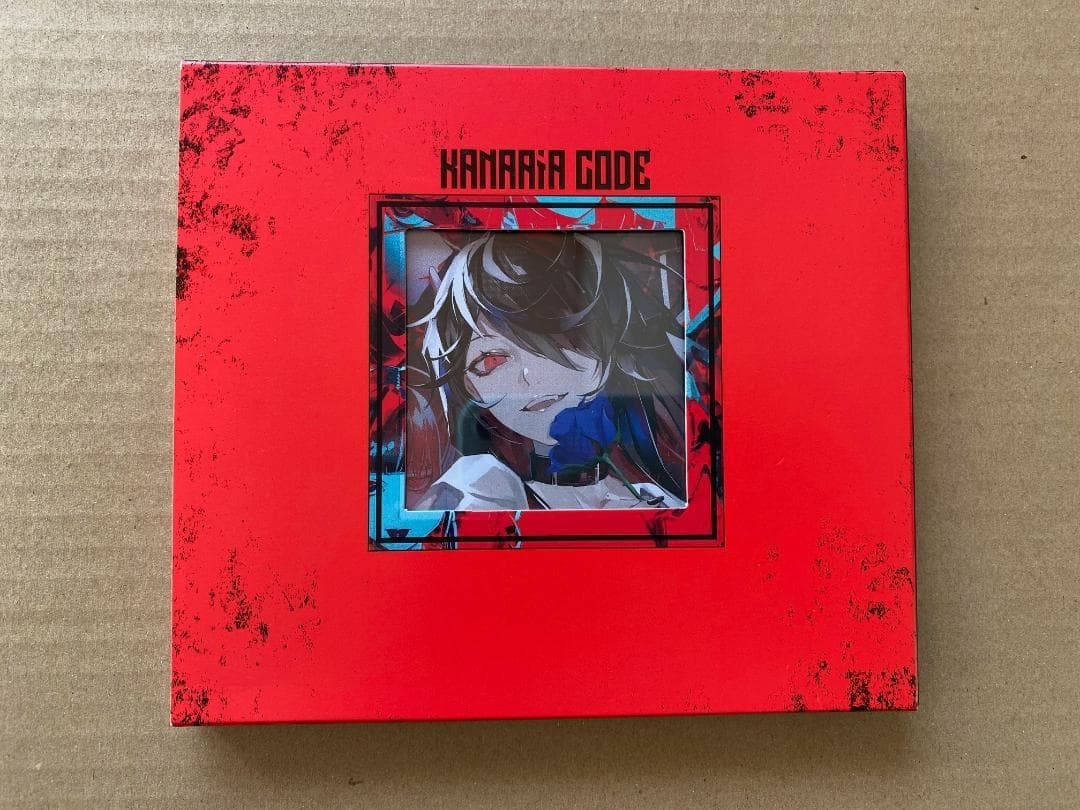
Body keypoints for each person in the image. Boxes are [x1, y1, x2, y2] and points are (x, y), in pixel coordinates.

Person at [406, 231, 686, 511]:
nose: (531, 376)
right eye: (492, 360)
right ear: (469, 384)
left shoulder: (650, 499)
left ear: (609, 336)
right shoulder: (477, 490)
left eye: (558, 341)